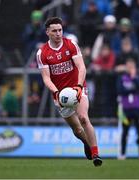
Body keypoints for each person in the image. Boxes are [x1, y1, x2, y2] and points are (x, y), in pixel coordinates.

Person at [36, 17, 102, 166]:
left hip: (77, 87)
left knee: (84, 118)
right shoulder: (42, 53)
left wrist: (79, 86)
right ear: (47, 32)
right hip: (60, 95)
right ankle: (86, 142)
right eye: (54, 31)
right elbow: (46, 78)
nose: (58, 33)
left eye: (60, 30)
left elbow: (81, 67)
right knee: (78, 130)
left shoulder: (71, 44)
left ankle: (96, 153)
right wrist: (57, 93)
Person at [116, 59, 139, 160]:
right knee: (125, 132)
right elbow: (120, 90)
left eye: (132, 66)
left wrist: (134, 79)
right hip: (126, 109)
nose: (130, 68)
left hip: (137, 109)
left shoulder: (138, 77)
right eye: (128, 66)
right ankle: (123, 154)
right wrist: (133, 88)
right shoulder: (121, 78)